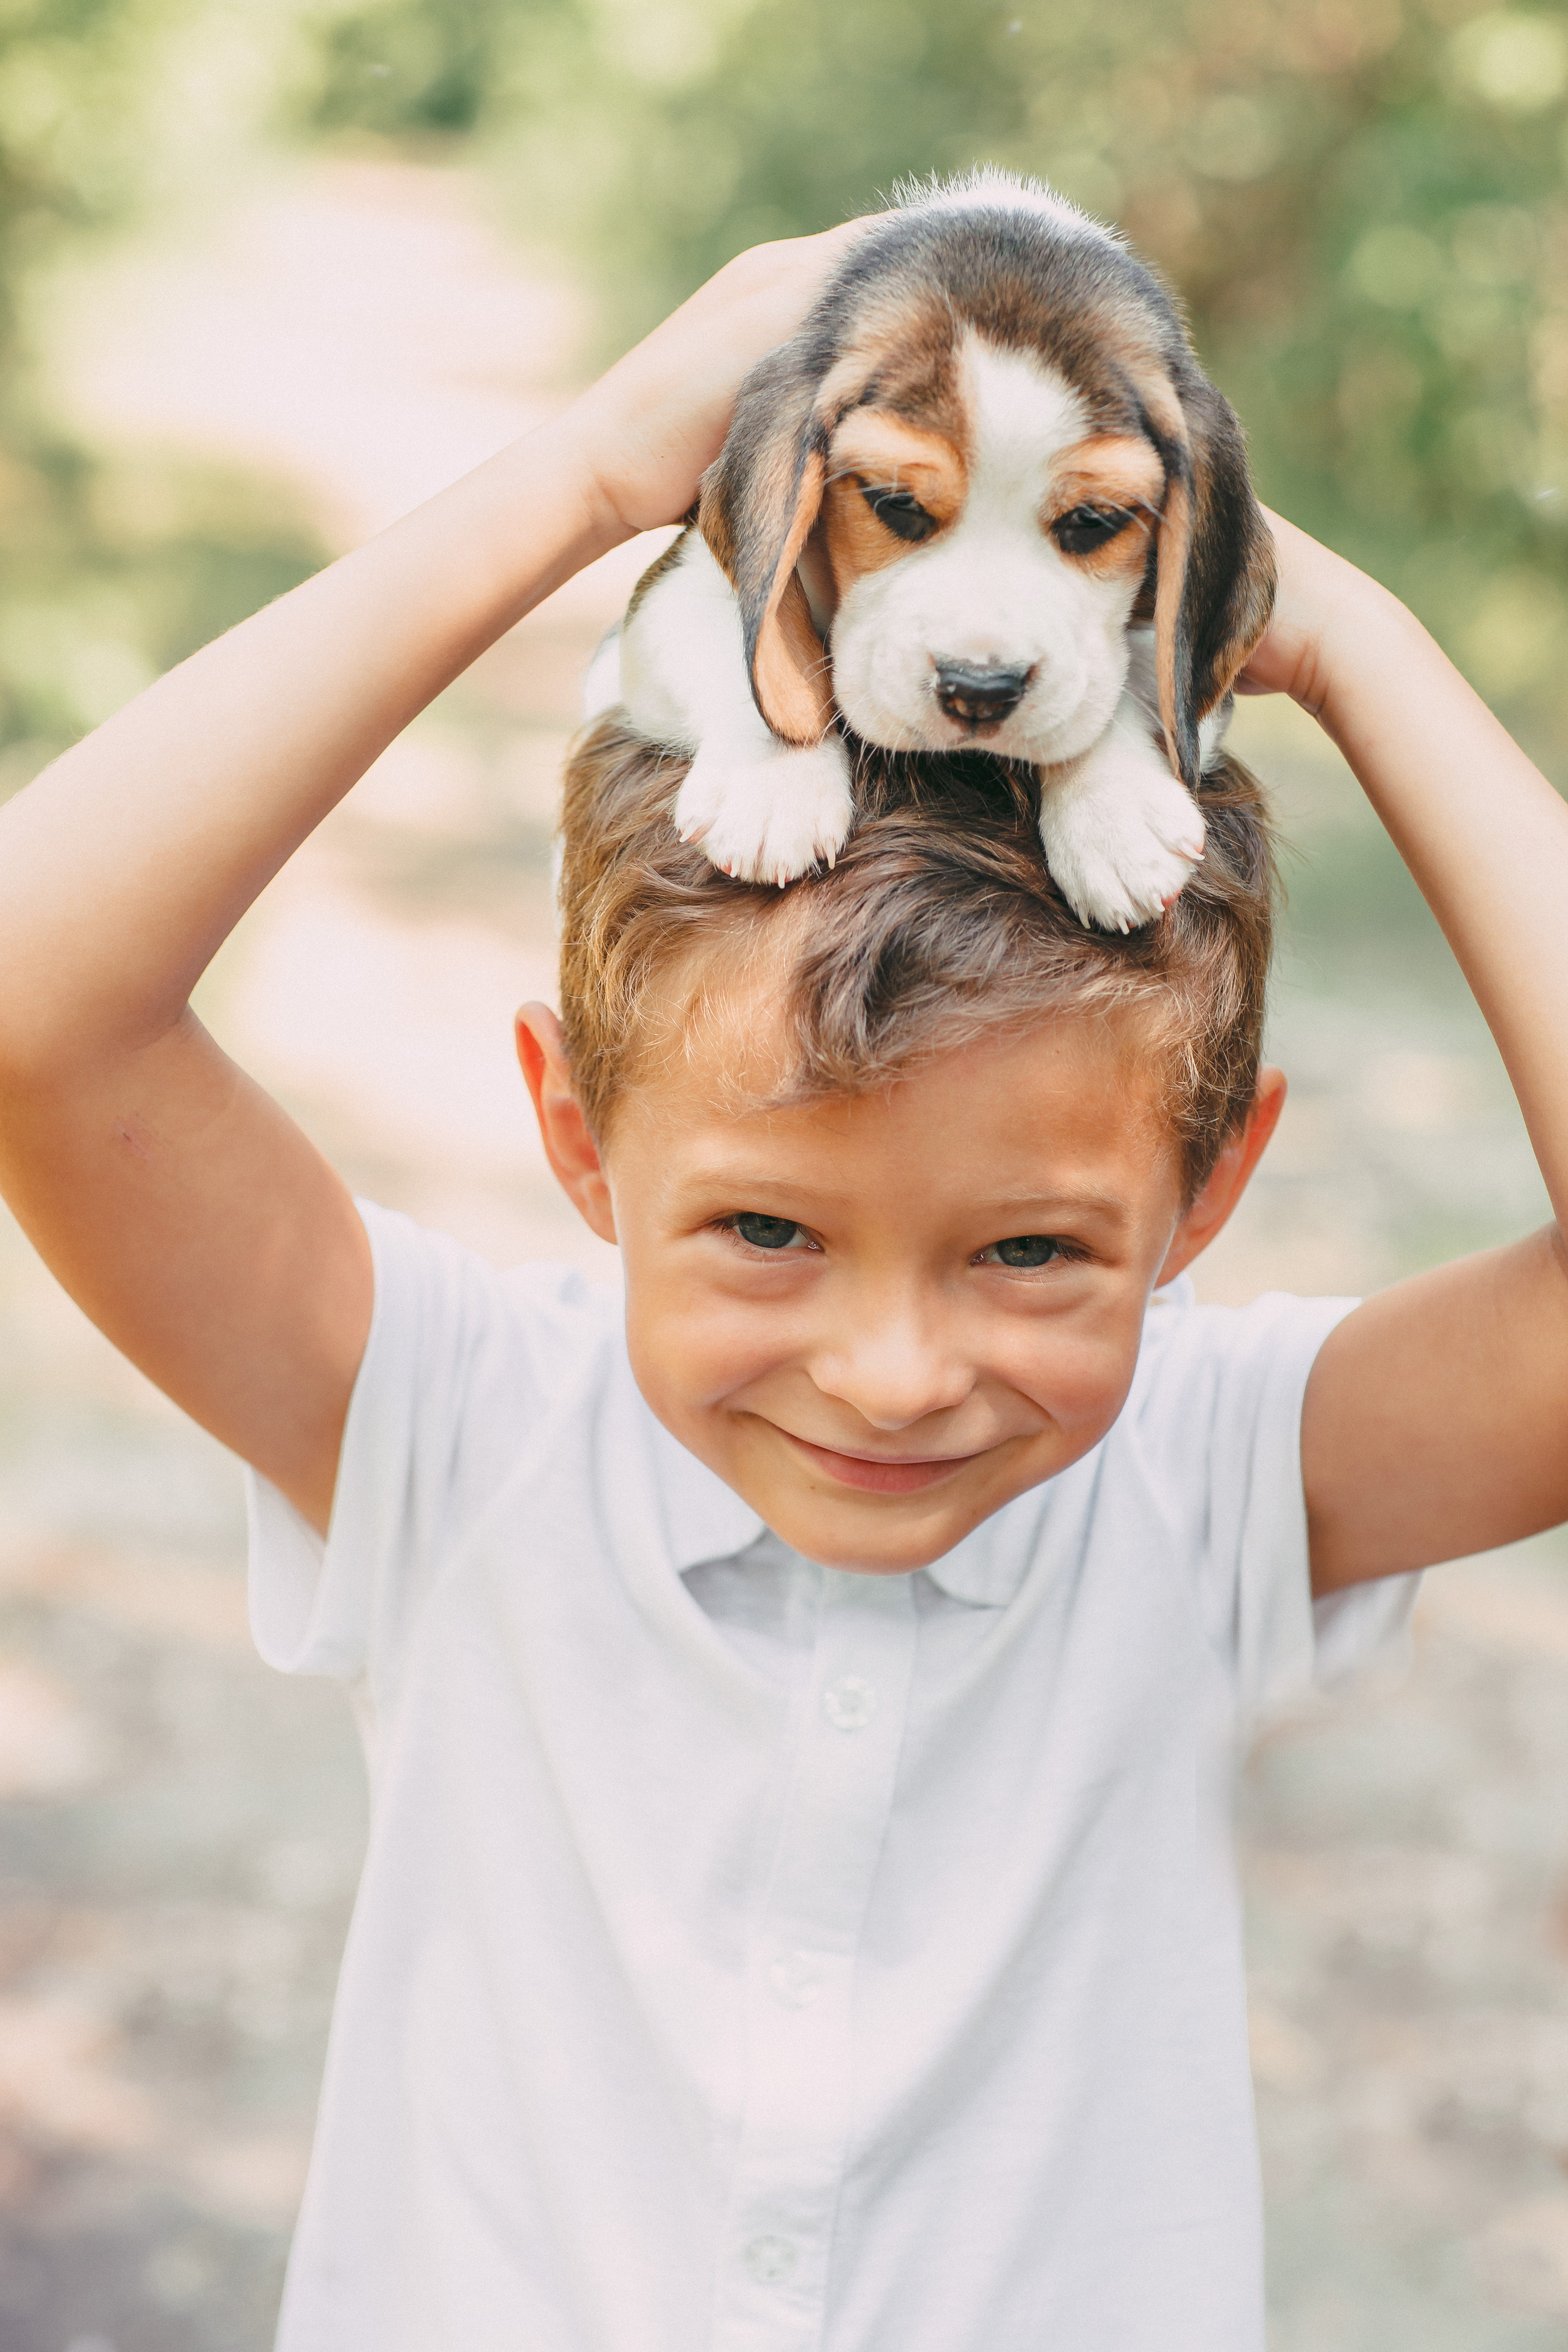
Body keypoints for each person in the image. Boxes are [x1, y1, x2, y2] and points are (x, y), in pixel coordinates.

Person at [0, 221, 1564, 2352]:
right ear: (574, 1137)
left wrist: (1338, 636)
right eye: (764, 1230)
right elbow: (33, 999)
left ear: (1209, 1197)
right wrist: (572, 486)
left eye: (1029, 1251)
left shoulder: (1213, 1483)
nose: (896, 1371)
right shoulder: (452, 1432)